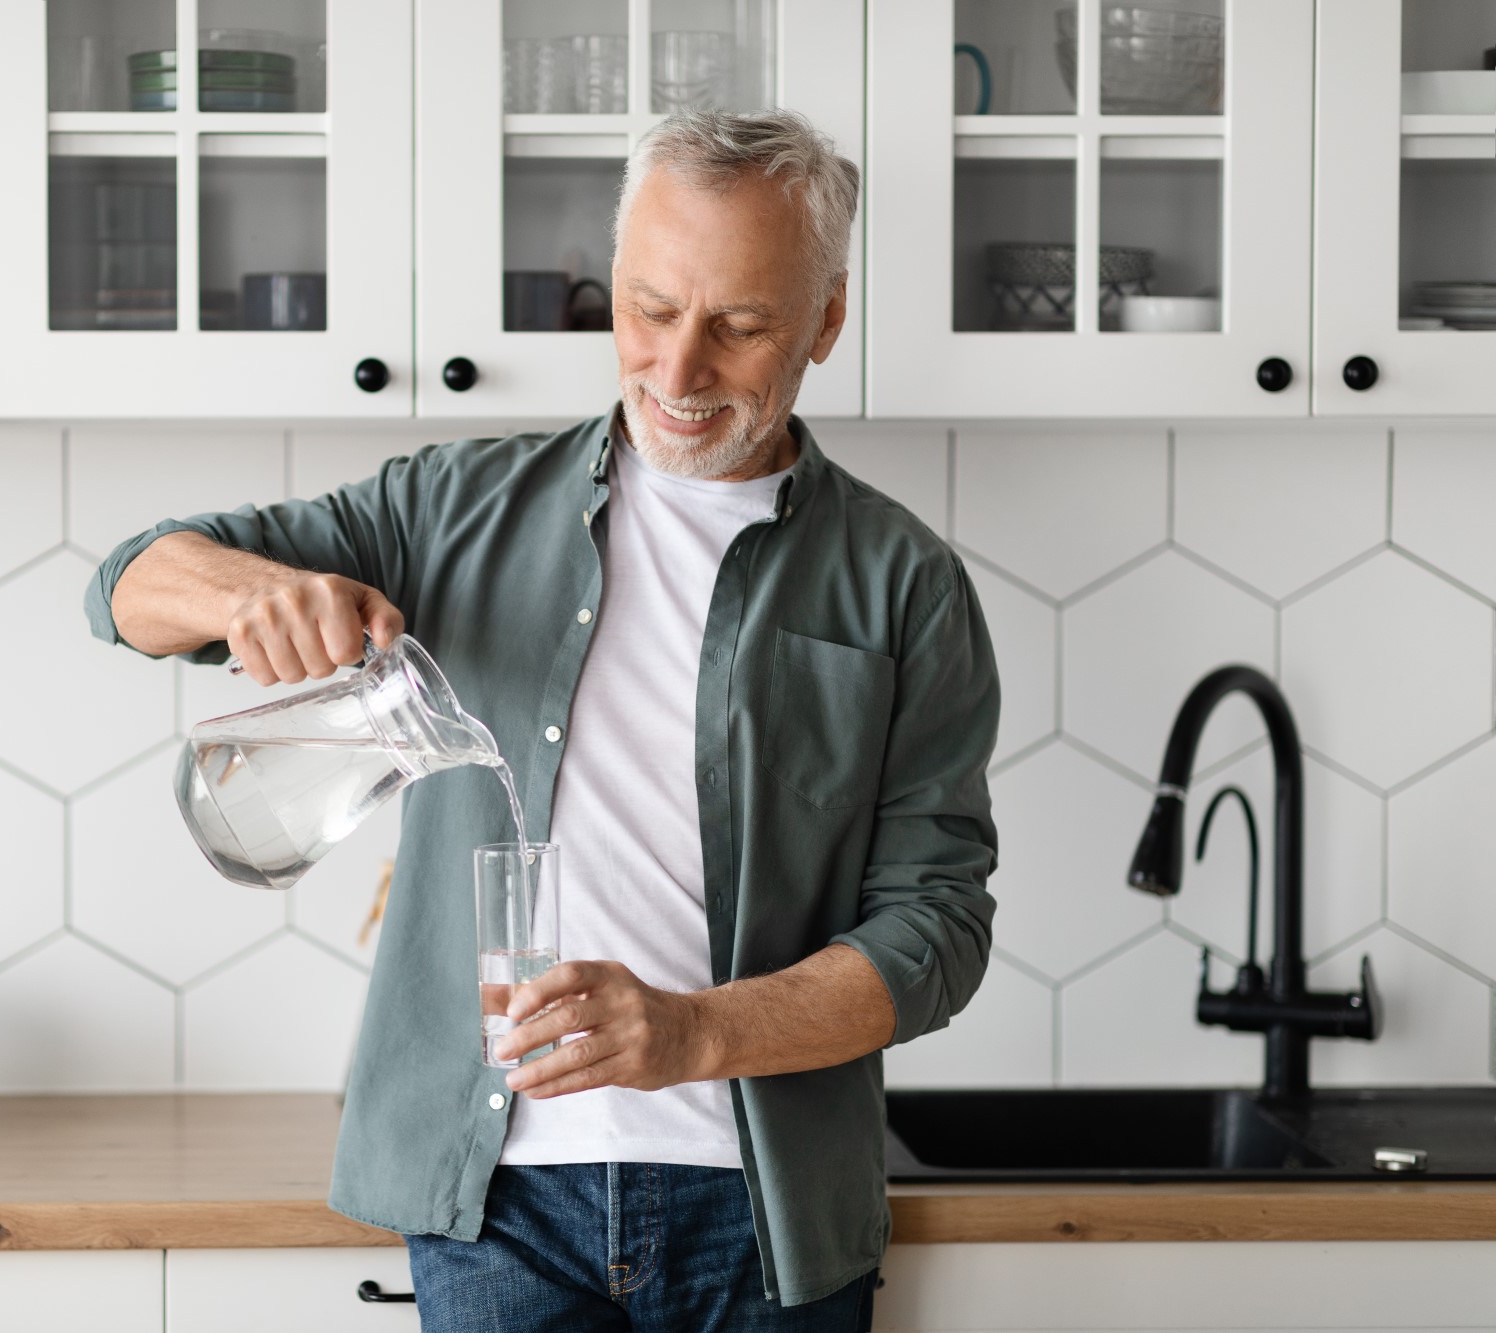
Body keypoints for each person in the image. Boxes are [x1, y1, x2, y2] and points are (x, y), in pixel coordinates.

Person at [86, 109, 999, 1332]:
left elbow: (935, 929)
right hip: (497, 1206)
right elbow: (127, 586)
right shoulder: (447, 507)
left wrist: (689, 1032)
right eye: (648, 308)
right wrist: (253, 590)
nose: (677, 373)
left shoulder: (901, 582)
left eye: (738, 325)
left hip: (768, 1214)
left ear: (825, 319)